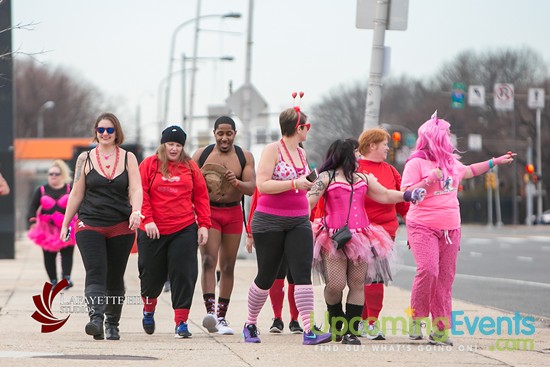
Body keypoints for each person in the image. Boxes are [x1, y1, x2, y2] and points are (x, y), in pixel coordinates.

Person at [401, 112, 514, 346]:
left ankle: (440, 330)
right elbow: (407, 192)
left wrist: (495, 162)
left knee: (445, 278)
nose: (450, 139)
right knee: (428, 270)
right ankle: (416, 318)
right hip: (422, 225)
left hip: (451, 228)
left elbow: (470, 171)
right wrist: (429, 179)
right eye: (446, 135)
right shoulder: (416, 163)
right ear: (434, 138)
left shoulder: (451, 162)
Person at [307, 139, 424, 345]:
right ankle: (336, 323)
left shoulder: (363, 178)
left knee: (357, 284)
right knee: (335, 285)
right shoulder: (326, 177)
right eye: (356, 153)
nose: (359, 157)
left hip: (361, 236)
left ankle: (351, 331)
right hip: (332, 237)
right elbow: (308, 202)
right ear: (345, 155)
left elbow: (386, 195)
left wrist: (408, 195)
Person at [243, 101, 332, 345]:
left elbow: (303, 182)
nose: (308, 129)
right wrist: (294, 184)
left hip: (299, 220)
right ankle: (250, 323)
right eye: (307, 125)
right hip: (269, 220)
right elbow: (262, 185)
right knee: (267, 276)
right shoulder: (273, 150)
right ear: (297, 127)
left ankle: (308, 329)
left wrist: (310, 183)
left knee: (302, 273)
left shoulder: (302, 153)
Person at [60, 112, 143, 341]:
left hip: (120, 225)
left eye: (109, 130)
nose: (105, 134)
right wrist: (66, 222)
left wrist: (136, 211)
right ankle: (95, 318)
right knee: (96, 270)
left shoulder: (128, 158)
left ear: (117, 132)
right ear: (95, 132)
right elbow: (76, 192)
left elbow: (136, 188)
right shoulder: (84, 159)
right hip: (90, 223)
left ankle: (112, 324)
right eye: (101, 130)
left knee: (115, 276)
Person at [138, 125, 211, 339]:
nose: (174, 149)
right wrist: (148, 220)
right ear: (163, 144)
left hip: (184, 227)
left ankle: (181, 322)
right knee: (152, 274)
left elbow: (201, 196)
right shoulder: (149, 165)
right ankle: (148, 309)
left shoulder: (189, 166)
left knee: (184, 273)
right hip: (153, 229)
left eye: (178, 145)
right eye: (170, 144)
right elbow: (139, 193)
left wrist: (204, 224)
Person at [192, 116, 255, 335]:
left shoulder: (244, 156)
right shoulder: (202, 154)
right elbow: (188, 182)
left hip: (233, 212)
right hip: (209, 212)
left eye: (229, 133)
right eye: (220, 133)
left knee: (228, 266)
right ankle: (210, 313)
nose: (224, 138)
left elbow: (251, 188)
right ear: (214, 133)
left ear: (234, 134)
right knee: (208, 260)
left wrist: (235, 182)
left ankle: (222, 316)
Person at [356, 128, 410, 340]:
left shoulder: (390, 170)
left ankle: (370, 323)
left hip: (387, 234)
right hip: (361, 233)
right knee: (361, 280)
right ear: (371, 146)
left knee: (376, 278)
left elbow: (401, 203)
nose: (388, 148)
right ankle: (362, 322)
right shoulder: (356, 169)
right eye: (384, 144)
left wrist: (412, 228)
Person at [245, 188, 303, 334]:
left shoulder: (301, 173)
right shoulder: (268, 177)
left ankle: (294, 320)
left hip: (297, 226)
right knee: (276, 274)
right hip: (272, 227)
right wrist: (250, 233)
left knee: (295, 276)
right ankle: (277, 318)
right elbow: (256, 202)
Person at [27, 160, 77, 288]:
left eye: (56, 174)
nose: (53, 176)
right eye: (50, 174)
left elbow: (78, 204)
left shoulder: (69, 188)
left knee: (67, 252)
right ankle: (53, 281)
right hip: (47, 227)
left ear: (63, 175)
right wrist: (32, 221)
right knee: (49, 254)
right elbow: (33, 207)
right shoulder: (41, 189)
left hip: (67, 226)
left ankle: (66, 278)